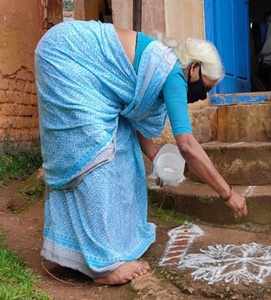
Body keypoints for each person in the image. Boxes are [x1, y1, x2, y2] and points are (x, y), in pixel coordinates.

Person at [35, 20, 248, 286]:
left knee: (125, 152)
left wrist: (160, 163)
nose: (204, 95)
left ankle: (81, 252)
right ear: (193, 68)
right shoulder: (172, 73)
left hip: (79, 64)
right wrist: (227, 193)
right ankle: (104, 267)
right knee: (96, 156)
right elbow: (187, 145)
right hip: (66, 55)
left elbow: (137, 130)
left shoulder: (161, 68)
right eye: (205, 86)